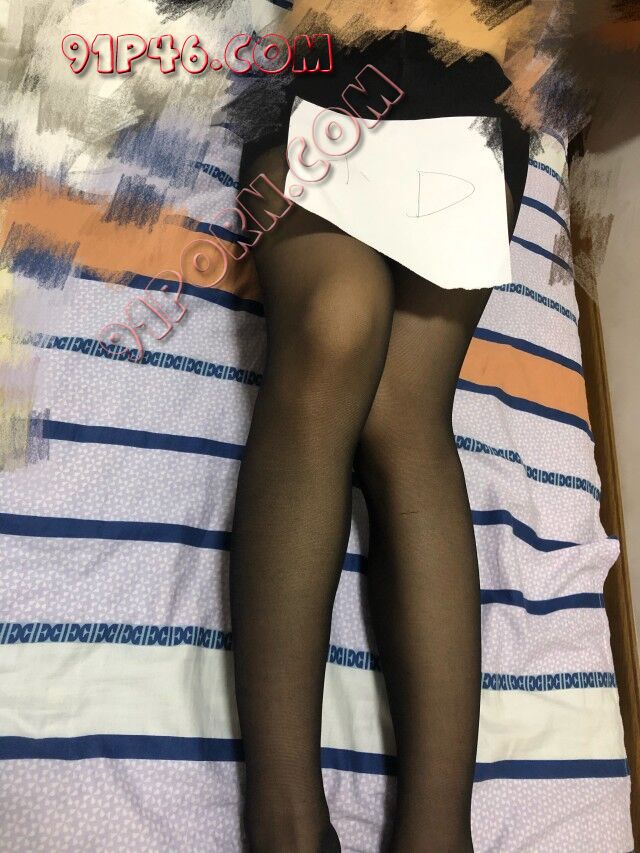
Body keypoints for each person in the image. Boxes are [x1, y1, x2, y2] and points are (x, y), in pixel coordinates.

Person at [228, 7, 532, 851]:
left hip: (468, 83)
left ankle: (438, 833)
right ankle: (286, 822)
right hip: (324, 69)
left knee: (404, 408)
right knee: (336, 324)